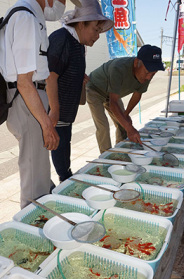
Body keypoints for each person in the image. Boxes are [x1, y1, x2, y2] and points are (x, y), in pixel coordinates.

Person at [0, 0, 67, 208]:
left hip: (30, 103)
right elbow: (24, 82)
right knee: (34, 185)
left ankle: (42, 215)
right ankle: (32, 230)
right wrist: (47, 125)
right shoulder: (26, 18)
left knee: (39, 171)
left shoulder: (31, 15)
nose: (61, 4)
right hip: (27, 104)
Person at [46, 0, 113, 182]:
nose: (97, 36)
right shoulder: (62, 39)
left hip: (65, 117)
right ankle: (60, 188)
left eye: (99, 31)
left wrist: (80, 81)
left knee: (63, 160)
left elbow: (68, 78)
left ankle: (63, 182)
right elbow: (50, 77)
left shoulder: (79, 45)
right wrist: (55, 111)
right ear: (82, 24)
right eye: (95, 30)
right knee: (52, 165)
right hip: (54, 116)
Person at [86, 45, 165, 154]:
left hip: (113, 94)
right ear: (137, 62)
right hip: (95, 89)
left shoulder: (146, 74)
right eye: (147, 73)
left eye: (153, 74)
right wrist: (130, 128)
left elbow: (137, 95)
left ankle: (121, 149)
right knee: (103, 126)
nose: (148, 78)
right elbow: (113, 104)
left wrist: (126, 115)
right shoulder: (118, 68)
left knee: (123, 123)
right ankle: (106, 156)